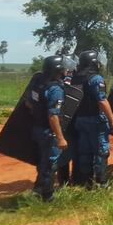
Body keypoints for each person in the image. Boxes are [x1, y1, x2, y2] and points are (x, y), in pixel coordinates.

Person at [29, 55, 75, 201]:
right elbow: (53, 115)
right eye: (64, 68)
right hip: (49, 132)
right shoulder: (55, 89)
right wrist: (60, 138)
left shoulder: (38, 83)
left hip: (37, 128)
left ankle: (37, 190)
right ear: (58, 70)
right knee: (50, 164)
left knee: (42, 162)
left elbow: (28, 103)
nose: (66, 70)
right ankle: (47, 196)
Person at [72, 50, 113, 188]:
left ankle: (87, 182)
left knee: (85, 151)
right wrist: (112, 120)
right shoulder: (95, 79)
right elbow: (102, 101)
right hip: (95, 120)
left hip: (80, 119)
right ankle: (102, 183)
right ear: (93, 63)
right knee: (101, 151)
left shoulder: (75, 78)